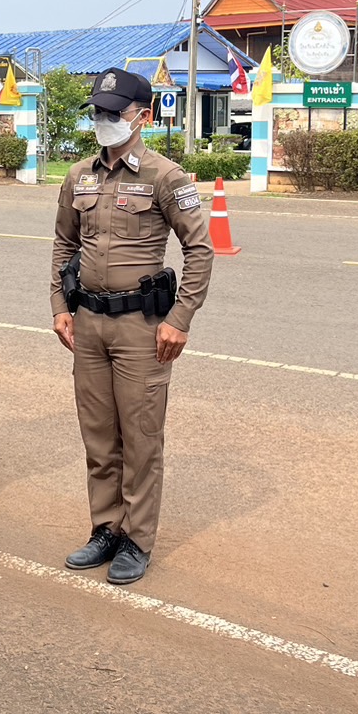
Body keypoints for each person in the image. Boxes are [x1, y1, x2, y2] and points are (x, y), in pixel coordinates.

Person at [48, 67, 214, 586]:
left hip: (141, 327)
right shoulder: (79, 176)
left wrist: (180, 319)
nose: (104, 119)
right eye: (98, 111)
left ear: (143, 115)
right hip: (89, 323)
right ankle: (105, 528)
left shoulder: (165, 176)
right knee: (99, 435)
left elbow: (200, 250)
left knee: (140, 438)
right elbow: (63, 243)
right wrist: (59, 305)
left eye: (114, 111)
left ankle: (137, 540)